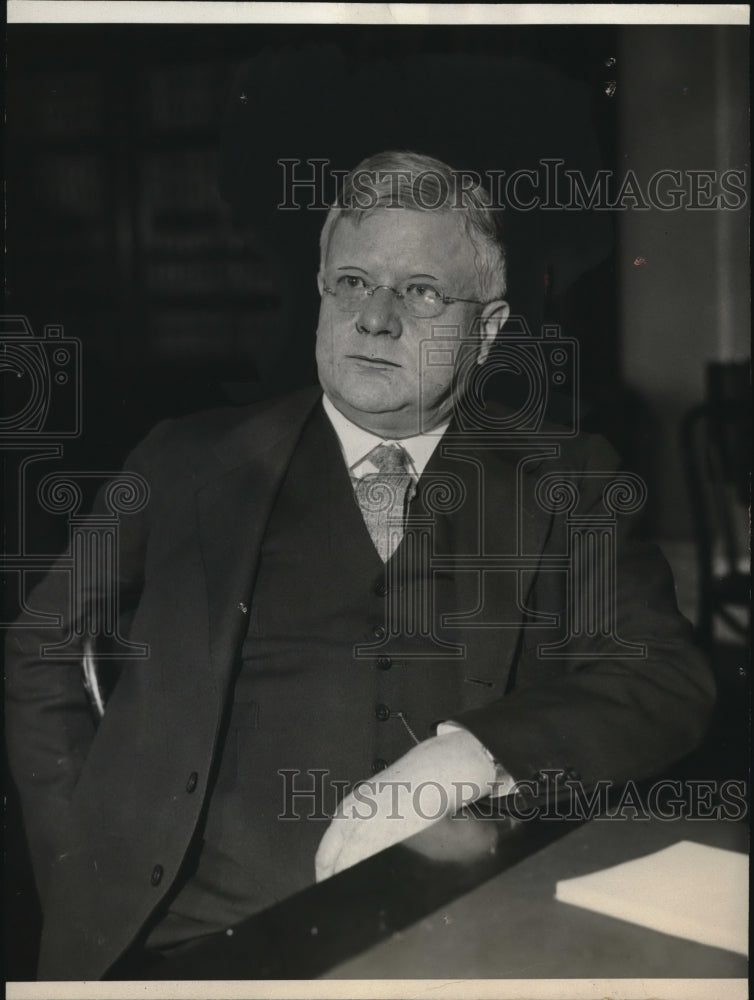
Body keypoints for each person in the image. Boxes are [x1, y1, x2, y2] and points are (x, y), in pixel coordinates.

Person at [5, 150, 715, 981]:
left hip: (457, 937)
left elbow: (666, 678)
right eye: (350, 283)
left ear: (486, 332)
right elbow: (42, 646)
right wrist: (82, 869)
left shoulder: (566, 479)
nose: (374, 319)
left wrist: (476, 754)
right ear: (319, 296)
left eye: (419, 292)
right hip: (192, 947)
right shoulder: (189, 461)